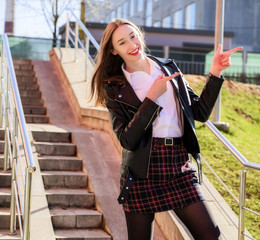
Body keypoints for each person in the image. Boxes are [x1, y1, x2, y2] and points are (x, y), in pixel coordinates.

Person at [90, 18, 242, 240]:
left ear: (139, 35)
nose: (132, 45)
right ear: (113, 50)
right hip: (142, 172)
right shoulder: (115, 87)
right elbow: (126, 139)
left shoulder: (168, 67)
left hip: (178, 165)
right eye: (122, 42)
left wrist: (215, 73)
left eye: (133, 36)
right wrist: (151, 99)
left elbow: (199, 112)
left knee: (210, 236)